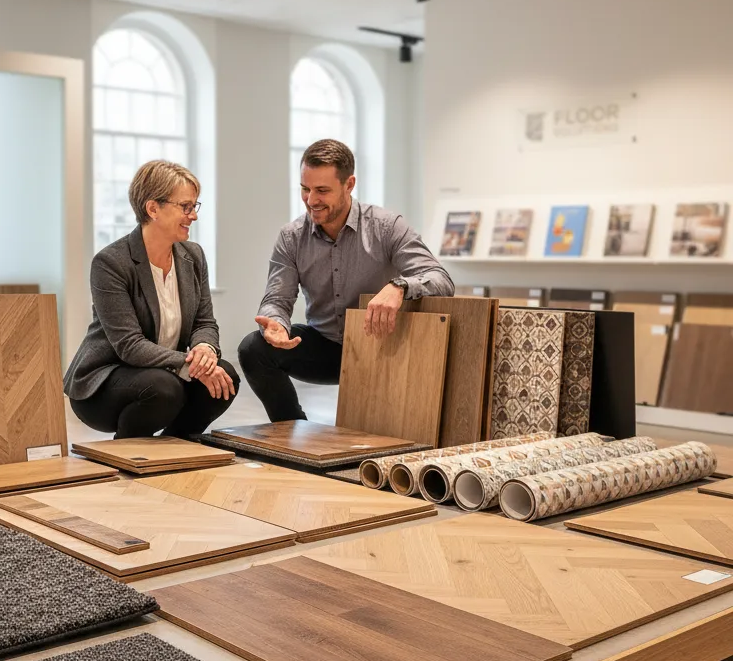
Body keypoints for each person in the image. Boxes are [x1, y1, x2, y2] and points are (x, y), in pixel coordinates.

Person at [238, 138, 453, 422]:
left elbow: (441, 280)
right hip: (325, 347)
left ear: (349, 184)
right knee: (253, 348)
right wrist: (276, 323)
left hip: (381, 347)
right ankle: (291, 431)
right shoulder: (291, 237)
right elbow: (277, 299)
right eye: (305, 189)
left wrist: (399, 286)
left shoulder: (387, 227)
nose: (311, 200)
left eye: (322, 190)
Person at [64, 160, 238, 438]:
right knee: (163, 387)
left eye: (195, 206)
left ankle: (177, 446)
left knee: (225, 376)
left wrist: (205, 349)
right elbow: (129, 345)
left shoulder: (193, 256)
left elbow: (204, 321)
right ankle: (127, 457)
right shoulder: (110, 262)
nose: (193, 215)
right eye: (185, 206)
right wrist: (188, 363)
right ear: (153, 208)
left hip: (165, 374)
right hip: (105, 383)